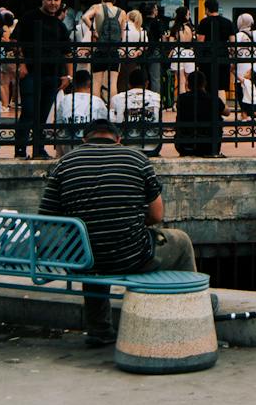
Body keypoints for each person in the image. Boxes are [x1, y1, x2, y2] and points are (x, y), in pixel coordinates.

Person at [38, 117, 196, 347]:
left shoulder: (64, 164)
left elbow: (48, 218)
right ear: (118, 139)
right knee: (181, 242)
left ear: (85, 139)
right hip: (130, 256)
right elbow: (157, 215)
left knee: (90, 246)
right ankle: (192, 305)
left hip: (85, 259)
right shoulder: (137, 160)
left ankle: (99, 329)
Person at [15, 0, 72, 159]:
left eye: (56, 0)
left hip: (52, 75)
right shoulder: (29, 18)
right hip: (31, 72)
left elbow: (67, 52)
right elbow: (17, 42)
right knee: (29, 112)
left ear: (61, 1)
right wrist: (22, 65)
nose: (53, 3)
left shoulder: (59, 25)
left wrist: (68, 75)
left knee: (43, 115)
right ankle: (20, 149)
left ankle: (38, 148)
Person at [108, 66, 163, 152]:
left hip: (125, 146)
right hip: (152, 147)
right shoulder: (156, 97)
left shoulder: (117, 98)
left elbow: (111, 121)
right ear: (147, 83)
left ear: (129, 84)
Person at [172, 68, 223, 157]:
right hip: (209, 145)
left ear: (188, 84)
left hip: (185, 144)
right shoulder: (212, 99)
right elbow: (227, 112)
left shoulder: (182, 98)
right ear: (204, 83)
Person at [49, 68, 109, 143]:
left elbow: (58, 122)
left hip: (69, 142)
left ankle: (59, 154)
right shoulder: (97, 101)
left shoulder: (65, 99)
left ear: (73, 84)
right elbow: (106, 122)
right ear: (90, 84)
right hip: (91, 142)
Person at [194, 0, 235, 105]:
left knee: (207, 85)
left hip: (207, 58)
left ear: (207, 9)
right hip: (223, 57)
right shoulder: (228, 22)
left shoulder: (204, 22)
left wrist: (198, 59)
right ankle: (221, 112)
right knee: (221, 87)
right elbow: (232, 43)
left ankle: (208, 112)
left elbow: (200, 42)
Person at [86, 0, 126, 98]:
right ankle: (112, 111)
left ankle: (96, 110)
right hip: (113, 51)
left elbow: (84, 17)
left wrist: (94, 31)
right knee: (113, 84)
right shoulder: (122, 12)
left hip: (100, 49)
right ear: (114, 0)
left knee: (96, 83)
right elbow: (122, 34)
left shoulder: (97, 7)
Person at [231, 13, 256, 117]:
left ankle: (244, 113)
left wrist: (232, 66)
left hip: (242, 69)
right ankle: (254, 112)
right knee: (253, 92)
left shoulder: (238, 36)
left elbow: (233, 51)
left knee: (242, 93)